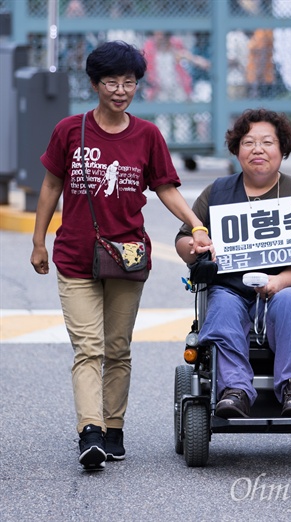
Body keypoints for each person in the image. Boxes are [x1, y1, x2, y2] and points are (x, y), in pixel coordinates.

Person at [30, 40, 213, 471]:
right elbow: (51, 186)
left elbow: (166, 187)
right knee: (88, 348)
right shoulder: (69, 131)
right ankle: (89, 431)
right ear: (95, 84)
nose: (120, 89)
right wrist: (39, 241)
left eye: (129, 82)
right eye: (111, 81)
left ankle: (113, 428)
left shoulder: (147, 135)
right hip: (75, 255)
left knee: (117, 347)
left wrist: (197, 224)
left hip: (127, 256)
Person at [175, 108, 291, 419]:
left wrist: (279, 282)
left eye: (267, 142)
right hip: (231, 288)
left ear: (283, 149)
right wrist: (194, 245)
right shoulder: (217, 192)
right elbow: (183, 240)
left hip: (282, 286)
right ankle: (234, 389)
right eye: (249, 142)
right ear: (236, 149)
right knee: (222, 309)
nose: (258, 150)